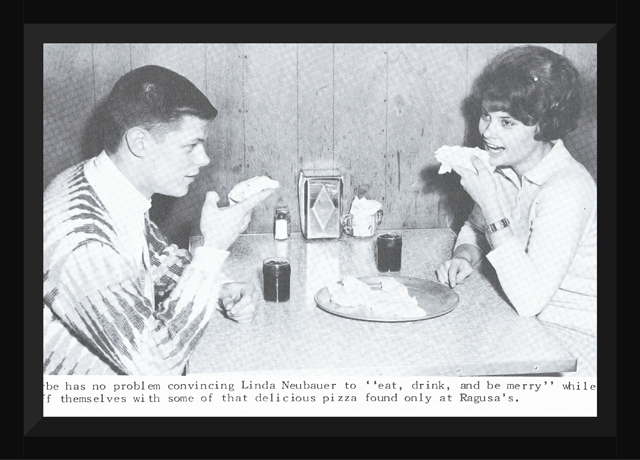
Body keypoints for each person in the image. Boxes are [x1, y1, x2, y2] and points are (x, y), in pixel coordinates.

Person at [43, 65, 274, 375]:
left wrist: (220, 287)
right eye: (191, 145)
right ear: (140, 142)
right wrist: (213, 250)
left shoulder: (103, 183)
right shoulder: (84, 240)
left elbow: (157, 263)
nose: (204, 159)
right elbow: (156, 367)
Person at [435, 46, 597, 376]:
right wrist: (465, 257)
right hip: (527, 328)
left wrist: (492, 204)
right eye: (486, 116)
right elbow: (475, 228)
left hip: (578, 345)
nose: (487, 132)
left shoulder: (566, 187)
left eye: (506, 122)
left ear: (544, 126)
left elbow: (529, 300)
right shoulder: (507, 167)